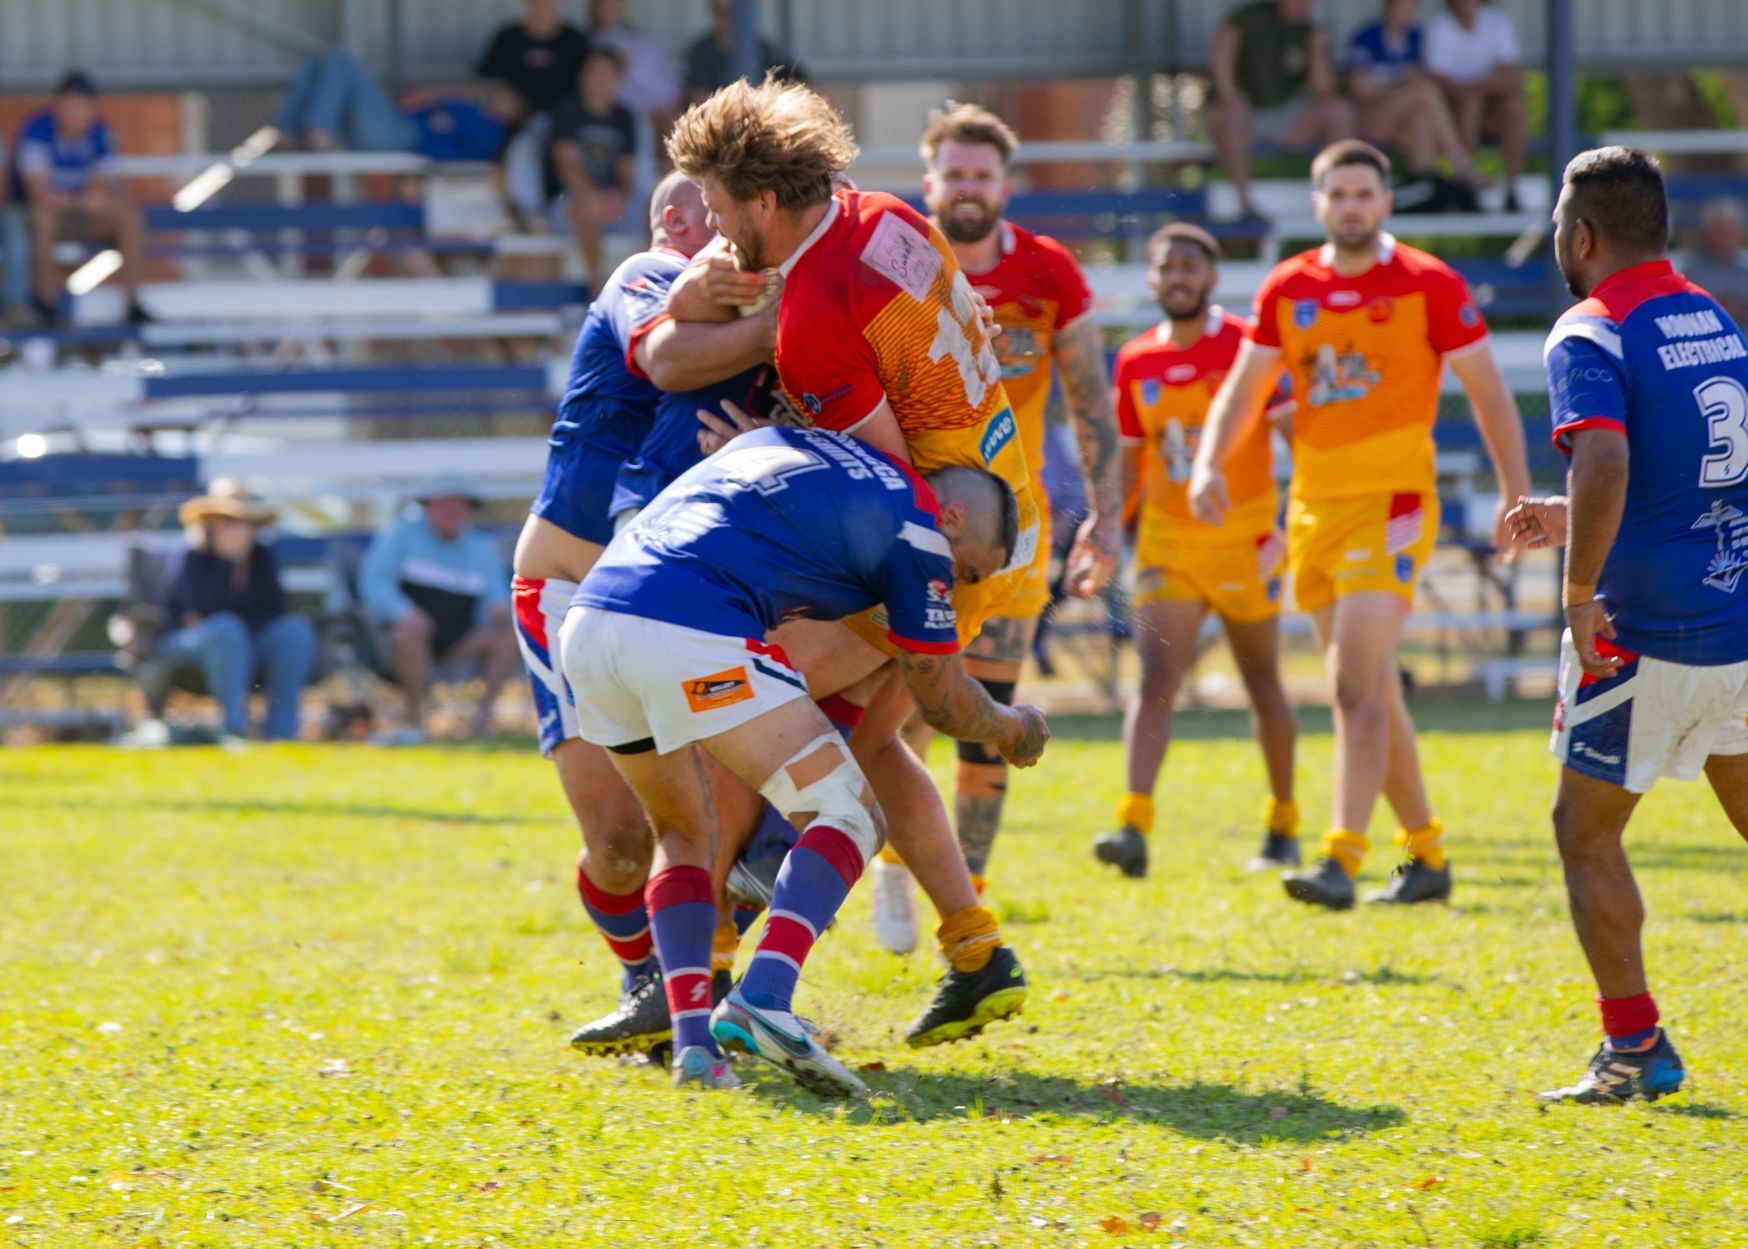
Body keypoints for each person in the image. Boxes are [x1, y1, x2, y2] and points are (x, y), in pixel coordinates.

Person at [653, 76, 1046, 1047]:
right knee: (874, 743)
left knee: (735, 702)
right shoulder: (878, 216)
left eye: (713, 199)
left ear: (762, 201)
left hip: (938, 534)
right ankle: (974, 950)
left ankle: (704, 981)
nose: (707, 218)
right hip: (1000, 500)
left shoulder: (816, 317)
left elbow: (883, 482)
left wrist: (760, 445)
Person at [559, 424, 1048, 1093]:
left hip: (590, 622)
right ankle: (764, 995)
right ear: (954, 516)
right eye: (968, 572)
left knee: (682, 832)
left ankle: (695, 1051)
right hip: (687, 627)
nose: (959, 585)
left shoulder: (784, 439)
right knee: (851, 812)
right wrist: (1012, 724)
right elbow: (942, 702)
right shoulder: (920, 531)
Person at [1189, 139, 1530, 909]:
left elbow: (1487, 393)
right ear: (1317, 204)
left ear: (1385, 202)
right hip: (1313, 506)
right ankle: (1428, 855)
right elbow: (1244, 393)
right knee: (1369, 687)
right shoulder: (1288, 286)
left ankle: (1341, 856)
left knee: (1350, 683)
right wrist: (1210, 461)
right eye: (1337, 193)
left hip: (1396, 502)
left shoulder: (1427, 283)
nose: (1351, 206)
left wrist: (1515, 489)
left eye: (1364, 193)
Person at [510, 168, 778, 1057]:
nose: (755, 215)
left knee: (710, 811)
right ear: (677, 220)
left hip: (677, 600)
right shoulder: (645, 274)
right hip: (567, 589)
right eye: (732, 202)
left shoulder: (762, 318)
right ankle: (646, 977)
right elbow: (667, 354)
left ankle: (702, 981)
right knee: (621, 840)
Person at [1501, 147, 1748, 1104]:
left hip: (1644, 635)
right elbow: (1696, 468)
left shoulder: (1591, 327)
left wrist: (1576, 594)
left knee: (1584, 831)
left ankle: (1635, 1047)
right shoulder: (1711, 318)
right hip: (1734, 620)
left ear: (1583, 234)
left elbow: (1601, 458)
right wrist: (1573, 522)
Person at [866, 102, 1121, 942]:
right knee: (903, 710)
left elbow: (1092, 407)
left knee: (988, 717)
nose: (968, 188)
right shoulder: (900, 259)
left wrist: (1106, 520)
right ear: (930, 180)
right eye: (954, 173)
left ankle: (964, 892)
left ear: (1005, 186)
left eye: (983, 175)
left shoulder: (1048, 275)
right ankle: (896, 867)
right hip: (911, 522)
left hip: (1015, 535)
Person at [1092, 224, 1300, 878]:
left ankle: (1284, 823)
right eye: (1166, 266)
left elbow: (1301, 438)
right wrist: (1101, 533)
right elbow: (1128, 466)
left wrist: (1292, 527)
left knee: (1261, 678)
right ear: (1151, 280)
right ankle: (1132, 822)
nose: (1178, 276)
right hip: (1167, 542)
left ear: (1211, 279)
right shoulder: (1133, 359)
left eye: (1191, 265)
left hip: (1247, 539)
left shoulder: (1247, 345)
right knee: (1157, 676)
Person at [359, 478, 518, 742]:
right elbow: (374, 584)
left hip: (459, 642)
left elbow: (495, 599)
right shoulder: (400, 535)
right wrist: (405, 612)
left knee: (507, 637)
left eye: (460, 507)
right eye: (445, 506)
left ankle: (482, 721)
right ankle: (416, 723)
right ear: (428, 507)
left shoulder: (480, 548)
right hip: (404, 641)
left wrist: (499, 611)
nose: (452, 513)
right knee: (408, 632)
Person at [158, 479, 317, 742]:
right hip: (187, 646)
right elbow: (199, 611)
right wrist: (228, 564)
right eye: (226, 521)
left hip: (246, 643)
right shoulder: (189, 555)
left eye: (241, 521)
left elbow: (274, 610)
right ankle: (234, 727)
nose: (235, 529)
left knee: (294, 631)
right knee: (227, 630)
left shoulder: (261, 556)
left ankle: (282, 731)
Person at [7, 71, 145, 324]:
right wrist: (84, 200)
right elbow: (40, 196)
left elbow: (112, 186)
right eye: (75, 104)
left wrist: (95, 198)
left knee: (128, 215)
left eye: (87, 105)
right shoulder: (37, 129)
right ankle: (46, 304)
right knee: (42, 217)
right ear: (59, 104)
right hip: (38, 219)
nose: (82, 111)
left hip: (78, 216)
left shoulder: (99, 131)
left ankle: (134, 305)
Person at [1208, 0, 1355, 222]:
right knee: (1231, 114)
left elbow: (1323, 90)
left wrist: (1317, 49)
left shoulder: (1309, 31)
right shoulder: (1250, 17)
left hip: (1283, 114)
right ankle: (1245, 206)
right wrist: (1229, 95)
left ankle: (1336, 199)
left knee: (1339, 111)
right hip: (1240, 112)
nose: (1304, 5)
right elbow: (1222, 52)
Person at [272, 48, 521, 161]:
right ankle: (288, 131)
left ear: (514, 115)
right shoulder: (478, 116)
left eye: (510, 99)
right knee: (317, 61)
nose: (501, 95)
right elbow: (438, 111)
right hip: (394, 124)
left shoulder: (493, 132)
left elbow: (453, 111)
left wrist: (444, 100)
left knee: (341, 60)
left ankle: (316, 130)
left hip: (399, 137)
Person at [1346, 0, 1484, 203]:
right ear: (1388, 9)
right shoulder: (1368, 36)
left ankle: (1422, 186)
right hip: (1370, 119)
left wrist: (1389, 86)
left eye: (1411, 9)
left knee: (1423, 116)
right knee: (1425, 92)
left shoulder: (1414, 38)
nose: (1406, 14)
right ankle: (1462, 165)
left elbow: (1418, 78)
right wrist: (1400, 86)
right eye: (1401, 8)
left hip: (1402, 125)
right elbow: (1360, 88)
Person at [548, 46, 639, 289]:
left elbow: (627, 169)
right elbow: (567, 167)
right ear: (583, 76)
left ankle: (656, 283)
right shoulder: (567, 112)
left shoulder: (625, 117)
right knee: (589, 206)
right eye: (594, 71)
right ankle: (597, 285)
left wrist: (621, 195)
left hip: (613, 200)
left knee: (660, 205)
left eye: (607, 72)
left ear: (618, 78)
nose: (600, 78)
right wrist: (597, 196)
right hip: (568, 200)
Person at [1424, 0, 1526, 210]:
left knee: (1514, 107)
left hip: (1490, 106)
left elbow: (1511, 75)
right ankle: (1466, 186)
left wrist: (1475, 89)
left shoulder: (1496, 22)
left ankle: (1511, 188)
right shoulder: (1440, 27)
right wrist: (1478, 89)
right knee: (1471, 104)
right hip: (1452, 112)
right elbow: (1438, 83)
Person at [474, 0, 591, 116]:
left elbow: (590, 79)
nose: (543, 8)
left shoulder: (574, 40)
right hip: (514, 115)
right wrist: (499, 93)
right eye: (538, 4)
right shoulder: (508, 38)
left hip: (562, 115)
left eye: (548, 4)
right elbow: (486, 76)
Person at [585, 0, 682, 138]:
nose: (611, 8)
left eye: (616, 4)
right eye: (605, 4)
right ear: (595, 8)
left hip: (656, 111)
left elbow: (668, 87)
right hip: (616, 113)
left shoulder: (644, 41)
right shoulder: (589, 44)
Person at [682, 0, 804, 105]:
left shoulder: (761, 47)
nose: (728, 19)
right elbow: (700, 100)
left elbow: (795, 79)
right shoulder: (701, 53)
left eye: (733, 12)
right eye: (721, 12)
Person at [1681, 197, 1748, 325]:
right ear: (1707, 231)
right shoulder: (1691, 271)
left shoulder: (1746, 268)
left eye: (1730, 231)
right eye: (1720, 231)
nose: (1725, 237)